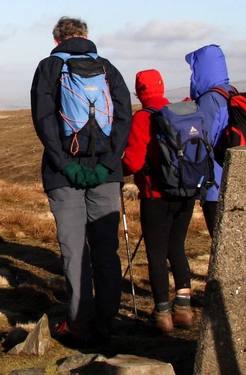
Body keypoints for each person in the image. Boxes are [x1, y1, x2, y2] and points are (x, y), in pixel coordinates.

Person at [30, 16, 132, 345]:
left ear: (57, 40)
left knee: (75, 252)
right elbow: (123, 118)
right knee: (106, 249)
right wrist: (107, 164)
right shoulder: (107, 68)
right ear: (86, 36)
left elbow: (44, 121)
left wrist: (65, 164)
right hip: (105, 173)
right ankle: (107, 322)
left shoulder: (48, 68)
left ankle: (78, 322)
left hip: (63, 175)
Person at [122, 69, 195, 333]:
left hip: (156, 195)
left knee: (156, 251)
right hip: (187, 192)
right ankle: (184, 308)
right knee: (177, 247)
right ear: (162, 87)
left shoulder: (143, 117)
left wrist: (117, 171)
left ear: (139, 91)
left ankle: (162, 312)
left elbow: (133, 161)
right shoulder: (183, 111)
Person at [185, 44, 232, 237]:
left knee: (220, 239)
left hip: (215, 184)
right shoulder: (230, 92)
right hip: (233, 178)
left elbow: (202, 142)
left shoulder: (209, 100)